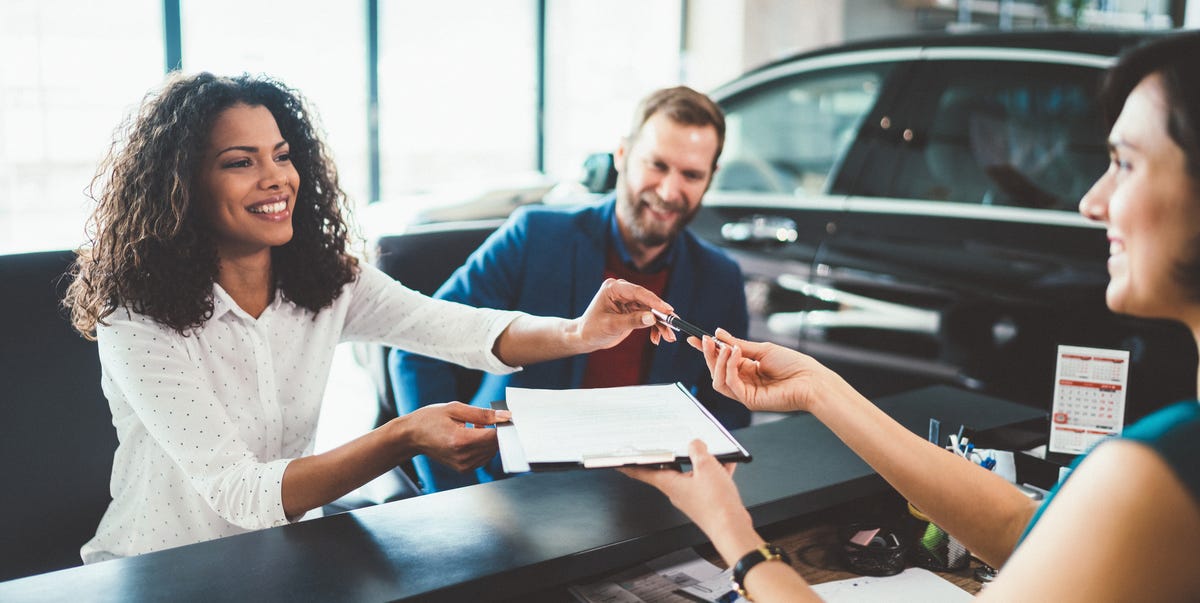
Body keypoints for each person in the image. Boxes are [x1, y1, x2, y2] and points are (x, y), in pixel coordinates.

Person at [622, 31, 1200, 602]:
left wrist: (733, 535)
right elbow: (1024, 532)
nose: (1091, 202)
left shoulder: (1160, 473)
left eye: (1124, 163)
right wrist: (819, 390)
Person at [64, 72, 678, 563]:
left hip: (272, 559)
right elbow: (240, 492)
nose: (276, 177)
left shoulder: (326, 280)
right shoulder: (135, 316)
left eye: (281, 155)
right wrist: (402, 436)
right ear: (183, 185)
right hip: (156, 570)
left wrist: (580, 332)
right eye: (240, 162)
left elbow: (458, 330)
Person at [390, 86, 750, 492]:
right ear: (622, 155)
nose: (669, 191)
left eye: (691, 175)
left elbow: (728, 405)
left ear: (710, 179)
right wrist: (450, 492)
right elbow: (417, 350)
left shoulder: (720, 276)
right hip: (512, 486)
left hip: (642, 494)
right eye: (657, 165)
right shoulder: (534, 237)